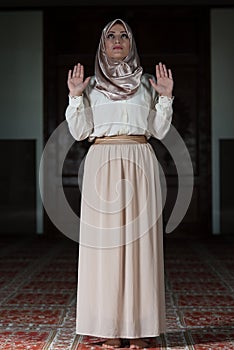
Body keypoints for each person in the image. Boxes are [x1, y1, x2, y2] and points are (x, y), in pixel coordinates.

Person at [65, 19, 174, 349]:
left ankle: (139, 328)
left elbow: (158, 130)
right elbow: (79, 132)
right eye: (111, 36)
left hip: (140, 159)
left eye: (123, 35)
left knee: (141, 246)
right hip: (103, 163)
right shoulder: (93, 86)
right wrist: (74, 97)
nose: (117, 40)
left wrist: (165, 99)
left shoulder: (145, 85)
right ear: (102, 44)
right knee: (106, 247)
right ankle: (108, 326)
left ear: (131, 43)